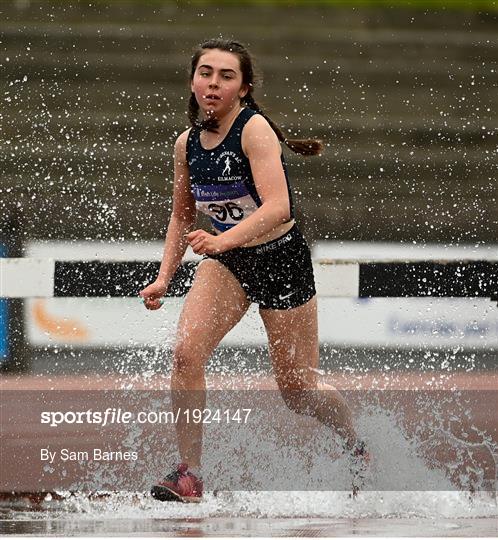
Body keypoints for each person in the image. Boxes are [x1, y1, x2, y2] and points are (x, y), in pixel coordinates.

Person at [139, 38, 369, 503]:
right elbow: (182, 215)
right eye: (206, 73)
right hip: (228, 263)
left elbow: (279, 207)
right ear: (192, 80)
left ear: (243, 88)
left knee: (298, 391)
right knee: (185, 353)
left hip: (280, 258)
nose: (213, 83)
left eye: (226, 76)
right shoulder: (186, 145)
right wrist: (165, 274)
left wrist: (221, 238)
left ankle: (354, 443)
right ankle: (190, 474)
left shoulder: (253, 129)